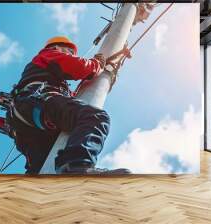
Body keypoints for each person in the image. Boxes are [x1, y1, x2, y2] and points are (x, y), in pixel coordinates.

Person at [10, 36, 130, 174]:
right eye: (69, 51)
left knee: (41, 166)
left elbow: (71, 101)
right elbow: (78, 66)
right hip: (36, 103)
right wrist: (96, 64)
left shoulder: (46, 72)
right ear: (55, 47)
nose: (72, 55)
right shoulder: (48, 55)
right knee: (95, 117)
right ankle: (76, 165)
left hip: (27, 122)